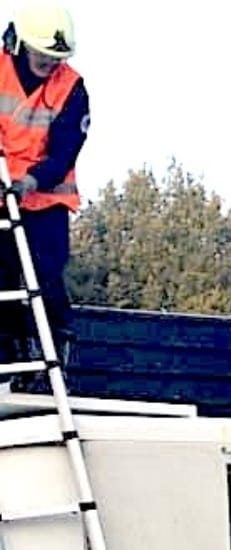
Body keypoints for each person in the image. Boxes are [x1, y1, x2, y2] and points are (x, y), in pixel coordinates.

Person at [0, 3, 88, 393]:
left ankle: (54, 357)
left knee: (45, 275)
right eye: (42, 56)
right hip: (2, 197)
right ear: (20, 43)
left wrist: (31, 181)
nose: (49, 64)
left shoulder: (71, 88)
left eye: (56, 58)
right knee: (2, 281)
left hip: (45, 198)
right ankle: (10, 358)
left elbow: (66, 148)